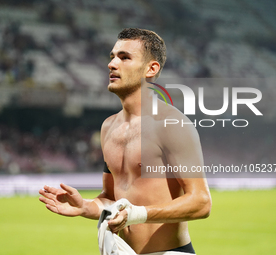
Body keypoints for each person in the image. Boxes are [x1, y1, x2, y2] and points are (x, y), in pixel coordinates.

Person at [39, 28, 212, 255]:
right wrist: (85, 206)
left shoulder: (172, 124)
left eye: (124, 57)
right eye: (112, 57)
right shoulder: (108, 127)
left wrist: (138, 215)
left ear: (151, 69)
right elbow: (111, 200)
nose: (112, 64)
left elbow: (201, 202)